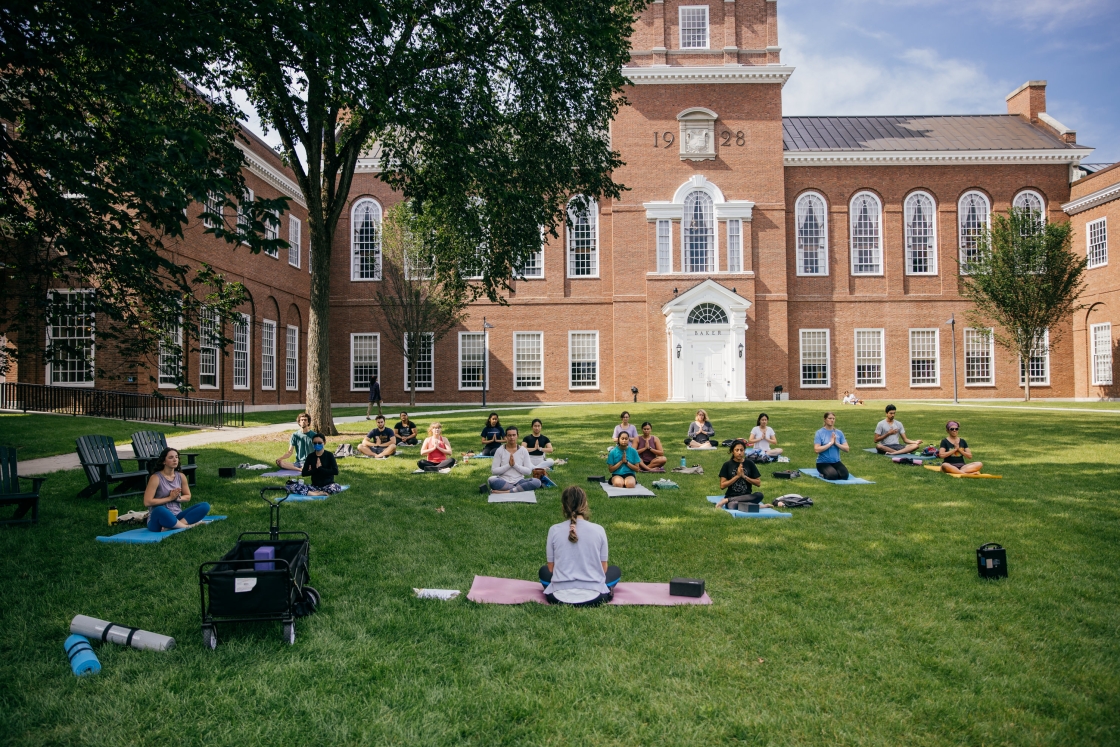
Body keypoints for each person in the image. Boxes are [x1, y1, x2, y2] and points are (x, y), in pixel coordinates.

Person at [538, 486, 621, 607]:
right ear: (585, 504)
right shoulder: (599, 530)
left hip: (557, 596)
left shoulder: (554, 530)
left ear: (563, 506)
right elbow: (603, 569)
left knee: (544, 571)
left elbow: (551, 569)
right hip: (595, 595)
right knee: (615, 571)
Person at [144, 448, 210, 531]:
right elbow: (147, 502)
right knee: (159, 510)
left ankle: (175, 525)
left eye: (176, 457)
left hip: (177, 516)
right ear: (163, 461)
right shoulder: (155, 478)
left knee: (204, 506)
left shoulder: (181, 476)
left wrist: (178, 498)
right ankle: (186, 526)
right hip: (159, 520)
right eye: (171, 457)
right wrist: (169, 498)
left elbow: (188, 496)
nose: (175, 460)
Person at [715, 440, 768, 510]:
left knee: (759, 495)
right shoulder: (727, 465)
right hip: (732, 497)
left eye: (741, 450)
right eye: (737, 450)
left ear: (744, 451)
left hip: (747, 497)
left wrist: (744, 476)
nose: (739, 452)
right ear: (732, 451)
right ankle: (755, 506)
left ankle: (726, 500)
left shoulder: (750, 463)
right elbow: (722, 485)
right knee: (732, 506)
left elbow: (758, 483)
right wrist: (737, 476)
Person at [488, 426, 542, 493]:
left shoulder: (523, 450)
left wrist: (514, 465)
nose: (512, 437)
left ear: (517, 436)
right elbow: (494, 471)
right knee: (491, 480)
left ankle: (507, 491)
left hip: (519, 481)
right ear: (506, 437)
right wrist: (509, 465)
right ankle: (518, 489)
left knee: (537, 482)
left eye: (514, 435)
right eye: (509, 435)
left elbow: (528, 471)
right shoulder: (500, 450)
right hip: (504, 481)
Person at [814, 411, 850, 481]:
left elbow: (847, 449)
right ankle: (822, 474)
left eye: (833, 419)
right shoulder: (819, 433)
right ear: (824, 419)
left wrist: (836, 443)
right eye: (830, 418)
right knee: (833, 476)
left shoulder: (839, 433)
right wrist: (830, 443)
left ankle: (834, 471)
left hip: (836, 462)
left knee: (845, 476)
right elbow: (816, 449)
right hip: (822, 463)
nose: (832, 420)